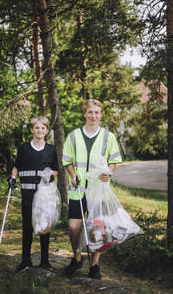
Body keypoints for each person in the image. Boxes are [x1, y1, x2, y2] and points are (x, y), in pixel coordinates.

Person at [62, 99, 122, 279]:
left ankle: (94, 265)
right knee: (74, 227)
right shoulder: (73, 136)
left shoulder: (108, 136)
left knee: (98, 229)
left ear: (101, 114)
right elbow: (67, 160)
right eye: (90, 112)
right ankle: (77, 257)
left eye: (96, 112)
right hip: (77, 190)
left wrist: (109, 173)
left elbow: (114, 161)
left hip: (98, 191)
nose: (93, 115)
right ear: (85, 114)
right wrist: (72, 175)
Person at [8, 116, 58, 273]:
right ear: (31, 130)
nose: (39, 130)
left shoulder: (51, 149)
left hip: (45, 196)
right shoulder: (23, 148)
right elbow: (17, 166)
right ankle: (25, 260)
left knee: (45, 227)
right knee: (27, 227)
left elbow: (55, 169)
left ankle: (45, 261)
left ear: (47, 131)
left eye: (43, 128)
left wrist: (51, 176)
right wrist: (13, 178)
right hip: (28, 195)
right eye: (37, 128)